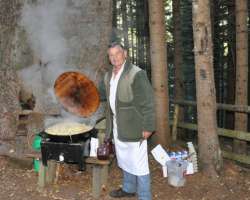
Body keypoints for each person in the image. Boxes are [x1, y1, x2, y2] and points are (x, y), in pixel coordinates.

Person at [103, 42, 156, 200]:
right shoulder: (108, 76)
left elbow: (148, 102)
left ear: (124, 53)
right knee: (124, 159)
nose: (114, 58)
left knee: (139, 164)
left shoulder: (136, 73)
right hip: (118, 125)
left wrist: (148, 127)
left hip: (135, 127)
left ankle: (145, 196)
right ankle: (128, 188)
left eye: (117, 53)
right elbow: (109, 101)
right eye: (111, 55)